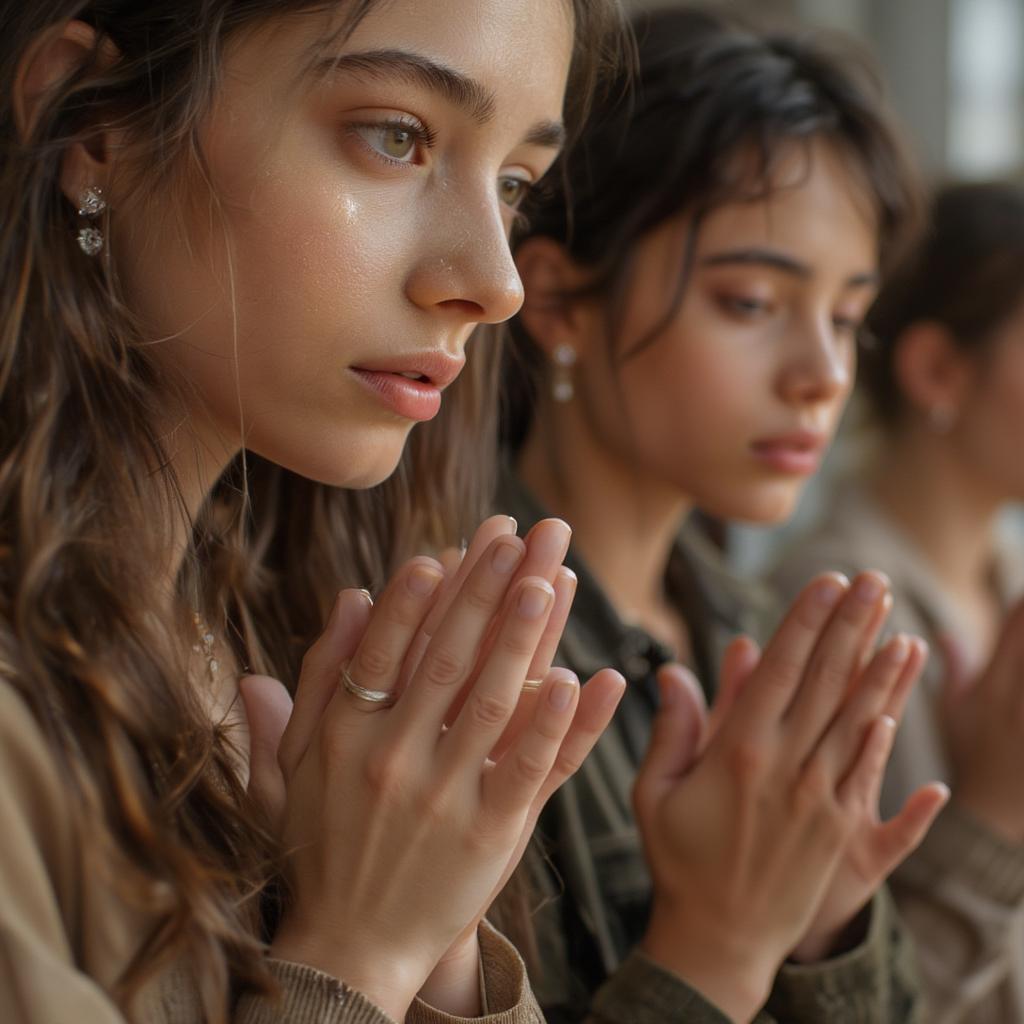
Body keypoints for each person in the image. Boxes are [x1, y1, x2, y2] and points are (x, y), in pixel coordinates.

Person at [0, 1, 631, 1021]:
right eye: (397, 136)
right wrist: (356, 957)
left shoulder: (279, 632)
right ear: (91, 125)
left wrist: (439, 951)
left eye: (514, 183)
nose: (494, 282)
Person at [500, 6, 949, 1022]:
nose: (822, 376)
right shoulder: (480, 652)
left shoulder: (752, 626)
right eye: (750, 301)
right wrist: (728, 942)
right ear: (561, 303)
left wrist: (827, 933)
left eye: (845, 316)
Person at [772, 180, 1024, 1023]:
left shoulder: (1004, 577)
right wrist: (992, 815)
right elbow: (850, 997)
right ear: (936, 370)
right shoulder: (832, 611)